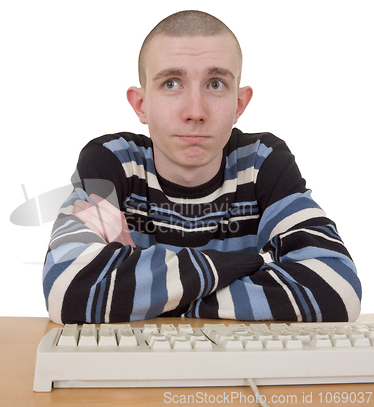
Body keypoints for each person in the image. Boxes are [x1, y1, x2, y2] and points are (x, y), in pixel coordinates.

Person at [42, 10, 361, 325]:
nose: (195, 111)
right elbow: (67, 288)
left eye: (216, 84)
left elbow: (337, 289)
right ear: (142, 105)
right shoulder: (110, 161)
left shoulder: (262, 162)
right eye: (171, 83)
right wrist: (256, 264)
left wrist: (137, 287)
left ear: (239, 104)